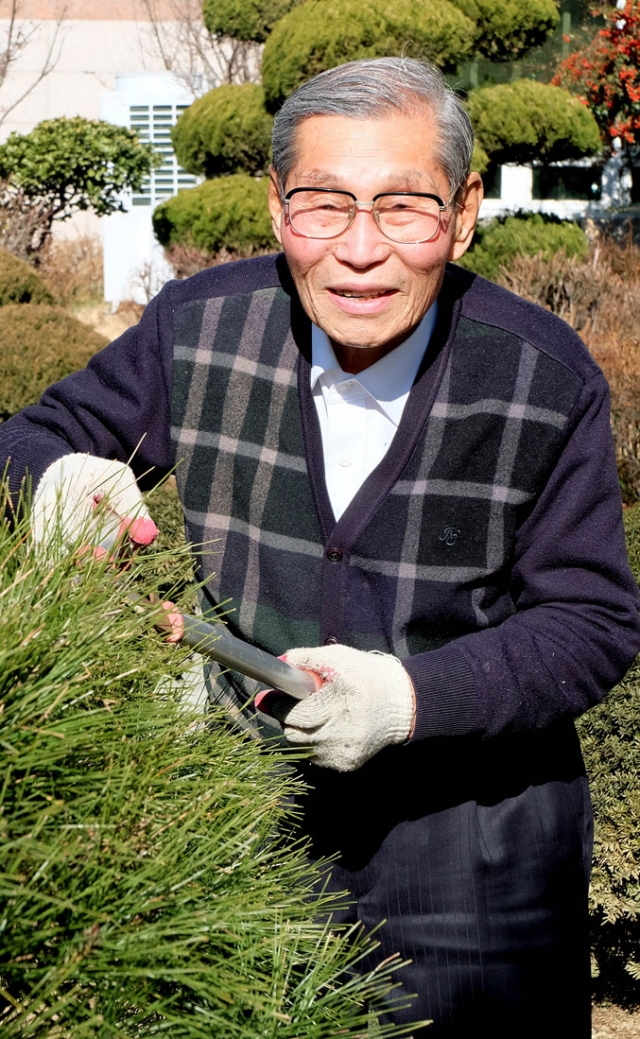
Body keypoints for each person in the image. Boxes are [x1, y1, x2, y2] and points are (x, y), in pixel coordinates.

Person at [1, 57, 639, 1037]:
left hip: (476, 868)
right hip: (243, 836)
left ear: (463, 212)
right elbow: (30, 437)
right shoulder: (200, 329)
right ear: (273, 205)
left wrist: (409, 699)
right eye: (323, 205)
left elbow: (591, 621)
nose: (359, 250)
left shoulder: (538, 375)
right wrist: (60, 484)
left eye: (403, 207)